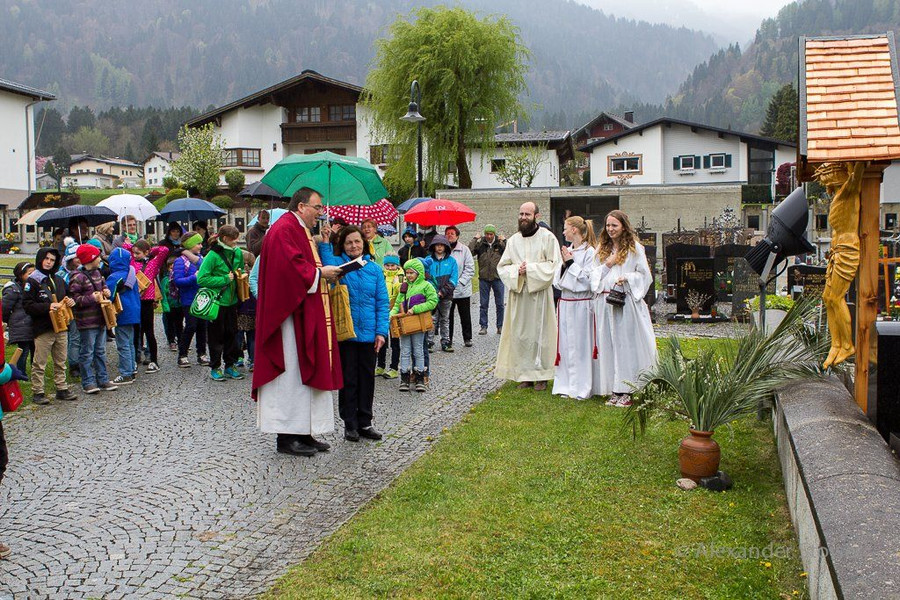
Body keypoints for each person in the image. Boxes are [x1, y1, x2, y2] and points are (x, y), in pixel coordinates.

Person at [253, 187, 343, 458]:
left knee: (304, 371)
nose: (320, 213)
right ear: (301, 206)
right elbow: (289, 269)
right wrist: (320, 274)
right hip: (288, 317)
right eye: (317, 208)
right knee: (291, 373)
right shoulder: (284, 229)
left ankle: (303, 431)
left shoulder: (298, 229)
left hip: (303, 310)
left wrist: (322, 271)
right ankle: (287, 436)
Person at [320, 225, 388, 442]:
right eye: (349, 242)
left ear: (364, 243)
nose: (353, 246)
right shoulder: (339, 267)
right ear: (343, 245)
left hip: (369, 334)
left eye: (357, 241)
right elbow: (326, 261)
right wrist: (325, 240)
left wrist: (381, 332)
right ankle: (350, 424)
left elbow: (382, 302)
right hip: (346, 333)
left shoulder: (374, 269)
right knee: (349, 380)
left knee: (367, 380)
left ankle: (365, 422)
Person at [591, 210, 657, 406]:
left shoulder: (634, 248)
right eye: (608, 225)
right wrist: (608, 265)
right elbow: (593, 275)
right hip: (606, 303)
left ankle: (627, 389)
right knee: (609, 345)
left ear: (623, 227)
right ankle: (614, 388)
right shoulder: (601, 249)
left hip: (626, 303)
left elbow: (645, 276)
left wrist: (627, 278)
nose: (610, 229)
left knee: (625, 346)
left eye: (615, 225)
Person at [494, 202, 561, 391]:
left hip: (539, 296)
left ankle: (542, 376)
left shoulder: (548, 238)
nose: (523, 217)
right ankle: (524, 375)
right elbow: (503, 266)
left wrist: (530, 269)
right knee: (520, 336)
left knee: (541, 335)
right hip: (520, 295)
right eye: (521, 214)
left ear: (536, 216)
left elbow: (554, 265)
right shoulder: (513, 240)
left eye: (527, 214)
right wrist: (517, 271)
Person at [23, 247, 77, 405]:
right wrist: (48, 307)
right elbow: (27, 305)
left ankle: (61, 387)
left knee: (60, 360)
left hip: (61, 325)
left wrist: (70, 300)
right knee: (40, 362)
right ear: (40, 259)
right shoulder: (33, 281)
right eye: (46, 259)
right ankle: (38, 391)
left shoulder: (58, 279)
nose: (48, 262)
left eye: (52, 260)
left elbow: (68, 294)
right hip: (43, 327)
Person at [552, 216, 597, 400]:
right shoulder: (568, 250)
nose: (563, 232)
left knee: (581, 344)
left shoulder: (590, 252)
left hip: (582, 302)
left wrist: (571, 264)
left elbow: (589, 280)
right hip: (566, 301)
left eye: (565, 228)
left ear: (574, 230)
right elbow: (556, 280)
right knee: (566, 344)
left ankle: (582, 386)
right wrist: (564, 265)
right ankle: (566, 384)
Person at [68, 244, 117, 395]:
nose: (100, 259)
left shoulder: (98, 273)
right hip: (87, 321)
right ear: (90, 259)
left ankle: (103, 379)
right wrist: (91, 298)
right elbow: (74, 300)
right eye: (97, 257)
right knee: (87, 352)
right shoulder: (77, 277)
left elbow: (103, 286)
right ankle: (88, 382)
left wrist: (106, 291)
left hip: (101, 319)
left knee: (100, 351)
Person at [196, 225, 244, 382]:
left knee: (232, 334)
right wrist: (224, 279)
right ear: (225, 239)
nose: (236, 242)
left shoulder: (237, 252)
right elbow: (201, 279)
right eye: (233, 240)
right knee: (216, 336)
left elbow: (240, 269)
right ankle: (215, 367)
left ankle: (230, 365)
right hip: (217, 301)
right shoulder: (212, 255)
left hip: (233, 301)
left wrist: (242, 276)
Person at [391, 258, 439, 392]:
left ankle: (420, 378)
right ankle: (404, 378)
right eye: (407, 273)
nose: (409, 275)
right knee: (405, 350)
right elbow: (398, 303)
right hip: (405, 324)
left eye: (412, 273)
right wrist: (391, 314)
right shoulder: (404, 286)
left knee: (418, 350)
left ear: (419, 273)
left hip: (419, 323)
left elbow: (433, 301)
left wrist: (416, 309)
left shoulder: (426, 286)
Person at [126, 239, 169, 373]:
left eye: (138, 253)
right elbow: (125, 248)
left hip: (147, 300)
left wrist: (150, 250)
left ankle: (154, 360)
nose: (135, 255)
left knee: (149, 331)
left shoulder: (153, 263)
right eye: (134, 253)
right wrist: (132, 246)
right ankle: (134, 359)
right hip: (135, 299)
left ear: (146, 252)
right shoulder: (132, 262)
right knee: (135, 331)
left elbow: (164, 250)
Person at [173, 232, 209, 367]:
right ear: (190, 244)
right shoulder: (180, 261)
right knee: (191, 326)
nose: (201, 246)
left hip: (202, 298)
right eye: (198, 243)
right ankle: (182, 354)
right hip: (188, 299)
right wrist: (194, 277)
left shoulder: (201, 258)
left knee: (202, 326)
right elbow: (178, 281)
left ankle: (202, 354)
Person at [106, 247, 140, 385]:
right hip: (134, 312)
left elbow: (110, 295)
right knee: (130, 342)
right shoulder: (131, 274)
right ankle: (131, 369)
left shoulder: (115, 277)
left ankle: (126, 373)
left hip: (122, 313)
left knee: (123, 344)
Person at [469, 224, 506, 335]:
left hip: (497, 278)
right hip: (484, 278)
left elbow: (510, 252)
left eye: (491, 234)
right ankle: (483, 326)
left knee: (500, 304)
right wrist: (475, 239)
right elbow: (469, 252)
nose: (489, 236)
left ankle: (500, 326)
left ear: (494, 234)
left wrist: (505, 241)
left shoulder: (499, 244)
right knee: (483, 304)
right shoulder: (481, 244)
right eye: (487, 234)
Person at [424, 234, 458, 352]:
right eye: (437, 245)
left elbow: (453, 279)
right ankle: (429, 341)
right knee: (432, 318)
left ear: (446, 247)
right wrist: (433, 292)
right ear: (433, 246)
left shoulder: (452, 261)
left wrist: (443, 292)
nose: (439, 247)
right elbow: (426, 277)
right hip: (431, 295)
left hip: (446, 295)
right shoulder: (428, 260)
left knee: (445, 319)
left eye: (442, 245)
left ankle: (446, 341)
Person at [445, 226, 475, 348]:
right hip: (447, 290)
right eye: (447, 233)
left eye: (452, 233)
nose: (450, 235)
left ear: (457, 236)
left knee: (465, 315)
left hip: (462, 289)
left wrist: (460, 282)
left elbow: (470, 268)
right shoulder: (443, 249)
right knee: (448, 316)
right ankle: (448, 339)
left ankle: (467, 338)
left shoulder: (464, 250)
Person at [3, 262, 35, 374]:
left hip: (32, 324)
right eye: (29, 273)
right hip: (20, 325)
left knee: (35, 350)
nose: (32, 276)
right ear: (21, 274)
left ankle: (35, 372)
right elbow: (5, 307)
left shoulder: (33, 287)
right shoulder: (13, 289)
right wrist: (7, 320)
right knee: (23, 350)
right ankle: (21, 372)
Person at [57, 240, 81, 377]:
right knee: (74, 338)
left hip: (83, 308)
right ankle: (74, 364)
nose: (79, 260)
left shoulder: (84, 271)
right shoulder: (62, 275)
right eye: (76, 258)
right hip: (70, 310)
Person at [376, 255, 402, 379]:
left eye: (393, 265)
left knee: (395, 341)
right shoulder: (382, 275)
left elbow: (402, 294)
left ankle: (394, 368)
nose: (390, 268)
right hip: (383, 311)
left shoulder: (401, 276)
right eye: (387, 265)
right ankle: (380, 366)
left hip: (395, 311)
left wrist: (397, 284)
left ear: (397, 265)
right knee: (382, 339)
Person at [235, 249, 256, 370]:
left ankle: (239, 358)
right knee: (252, 337)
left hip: (239, 311)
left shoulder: (238, 277)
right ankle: (253, 360)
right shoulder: (255, 277)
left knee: (238, 336)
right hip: (252, 311)